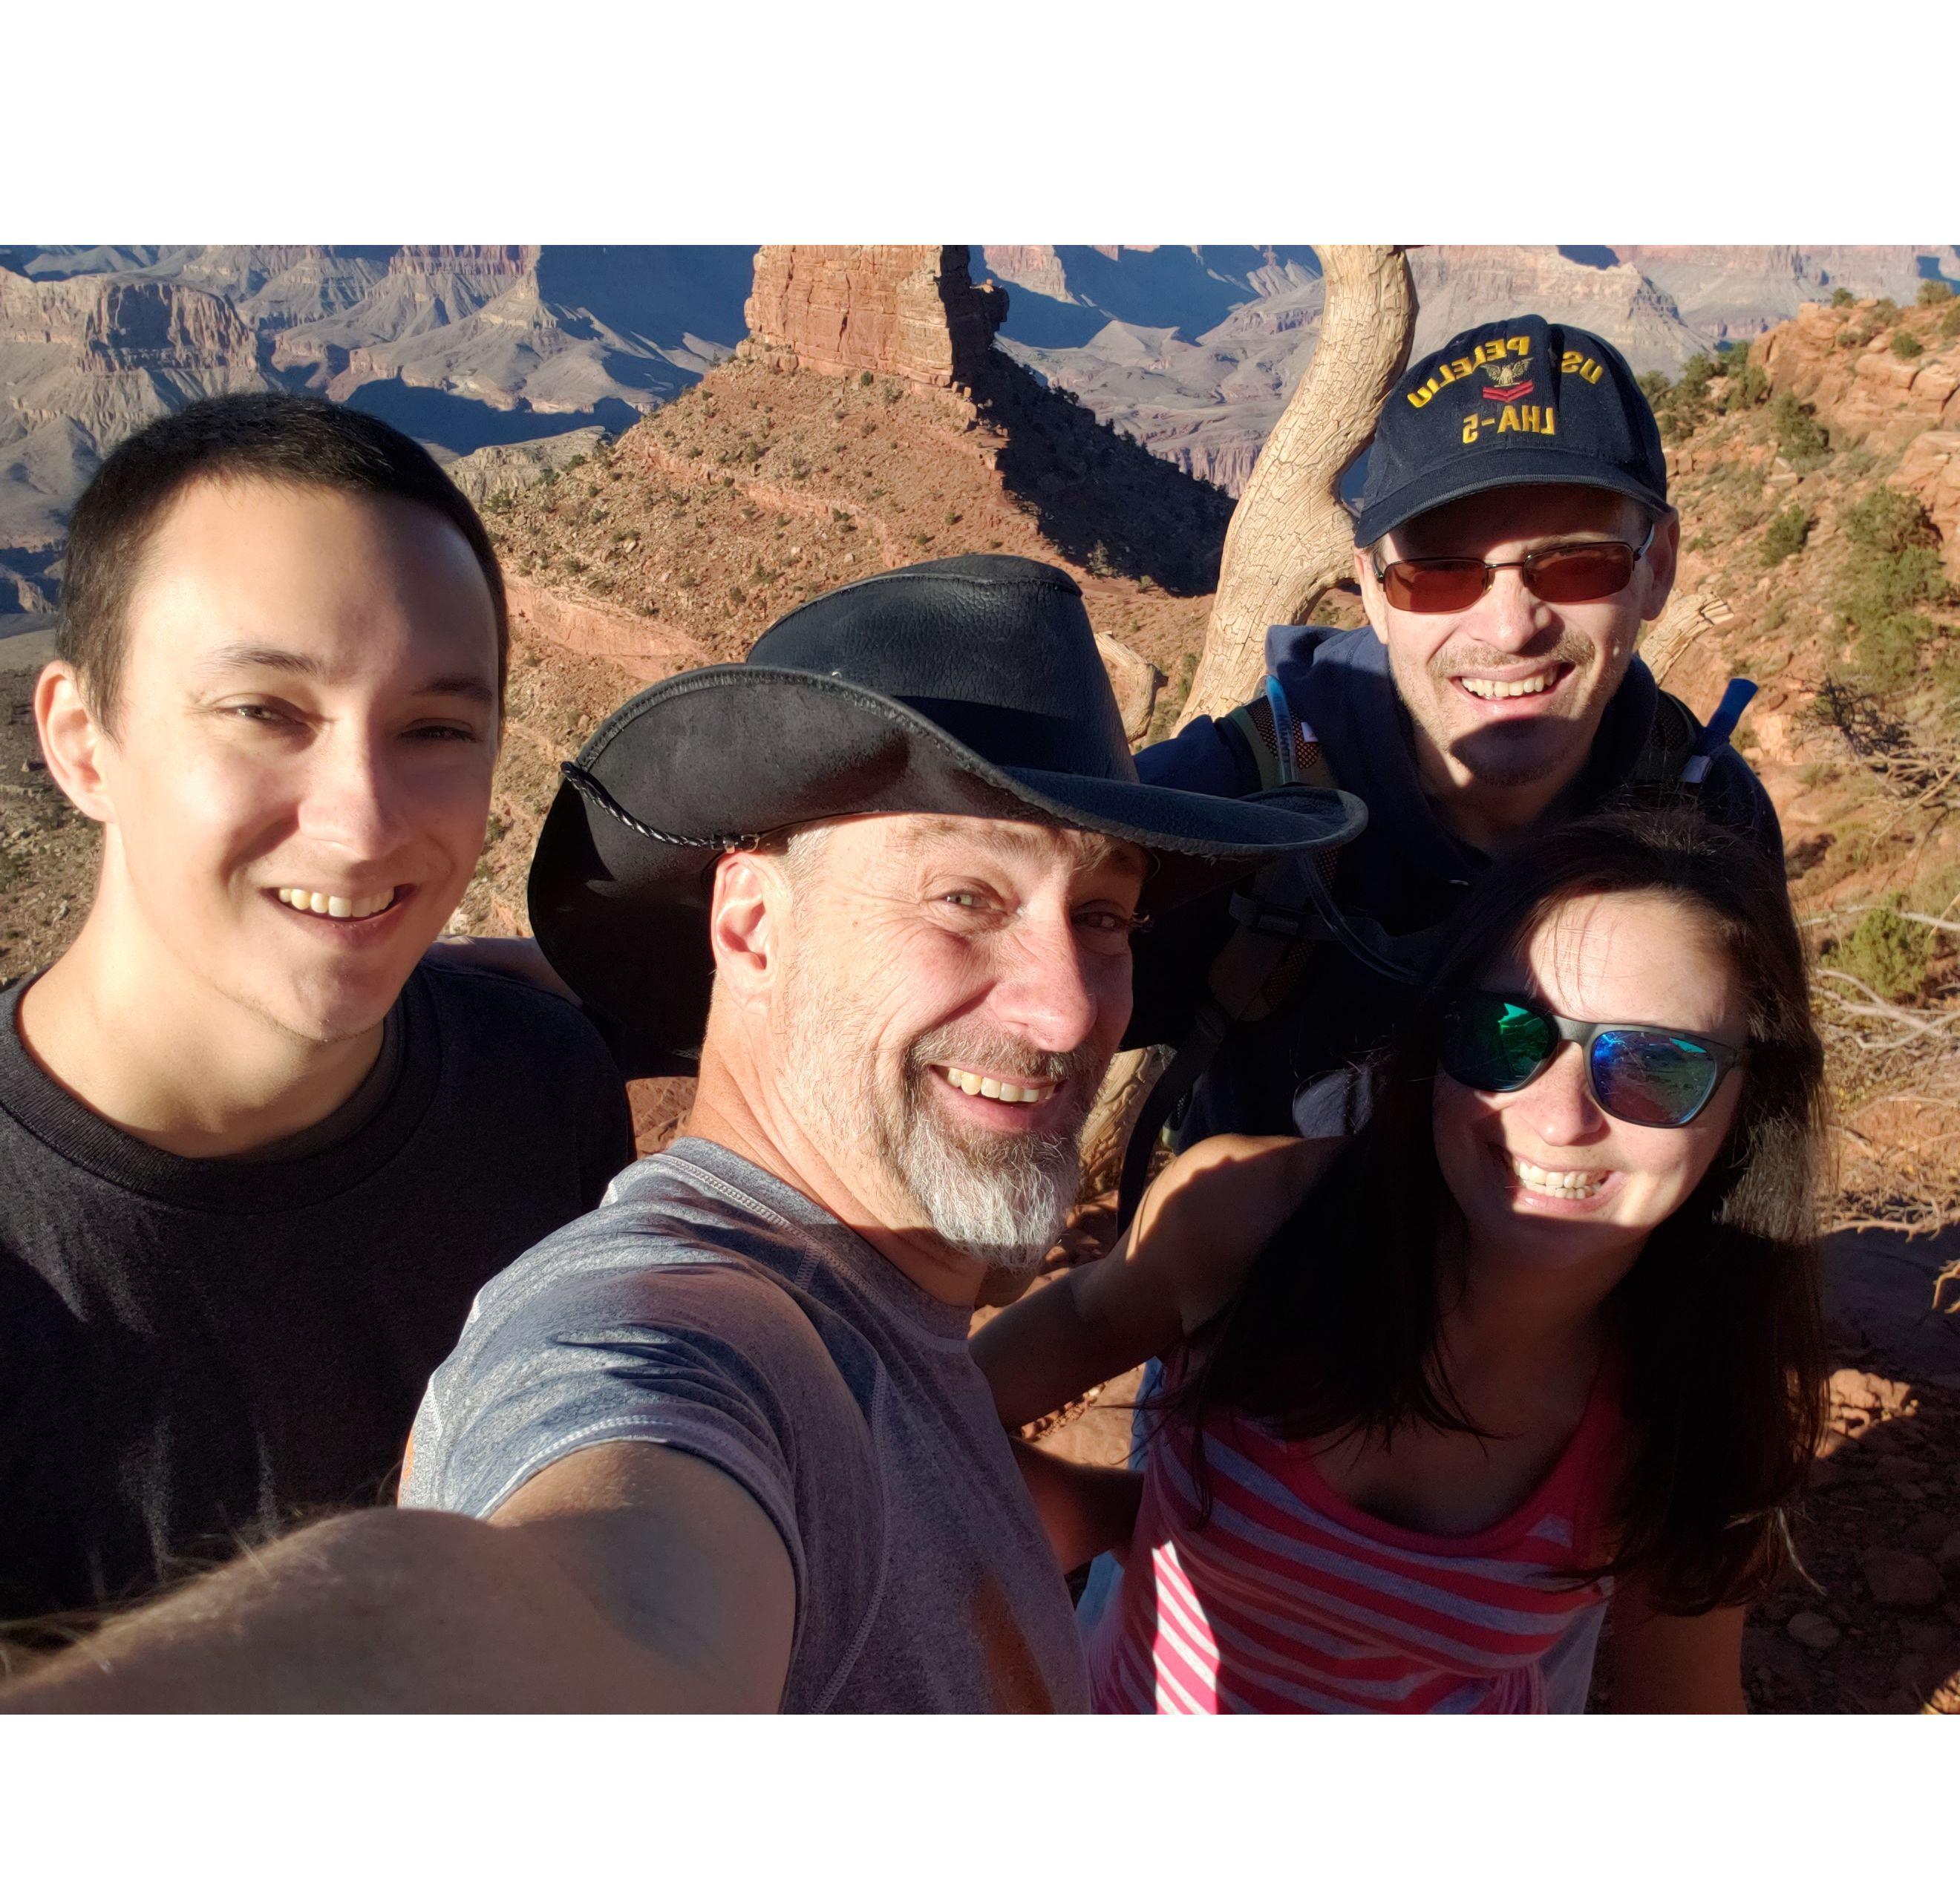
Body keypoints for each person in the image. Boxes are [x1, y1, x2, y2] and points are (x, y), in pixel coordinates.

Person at [0, 553, 1362, 1712]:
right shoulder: (670, 1332)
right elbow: (600, 1593)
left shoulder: (878, 1302)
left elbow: (917, 1477)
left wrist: (1158, 1523)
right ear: (753, 925)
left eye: (1102, 917)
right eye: (964, 899)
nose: (1070, 1009)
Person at [0, 393, 633, 1633]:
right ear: (83, 743)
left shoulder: (541, 1091)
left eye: (436, 728)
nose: (363, 821)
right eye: (266, 713)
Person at [976, 805, 1829, 1712]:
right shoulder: (1251, 1221)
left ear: (1750, 1100)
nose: (1561, 1117)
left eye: (1656, 1066)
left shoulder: (1695, 1400)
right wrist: (1114, 1511)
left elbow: (1685, 1713)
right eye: (1506, 1033)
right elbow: (938, 1411)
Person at [1131, 315, 1781, 1146]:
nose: (1510, 628)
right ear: (1369, 586)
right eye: (1438, 573)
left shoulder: (1710, 810)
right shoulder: (1237, 804)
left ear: (1656, 569)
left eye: (1578, 562)